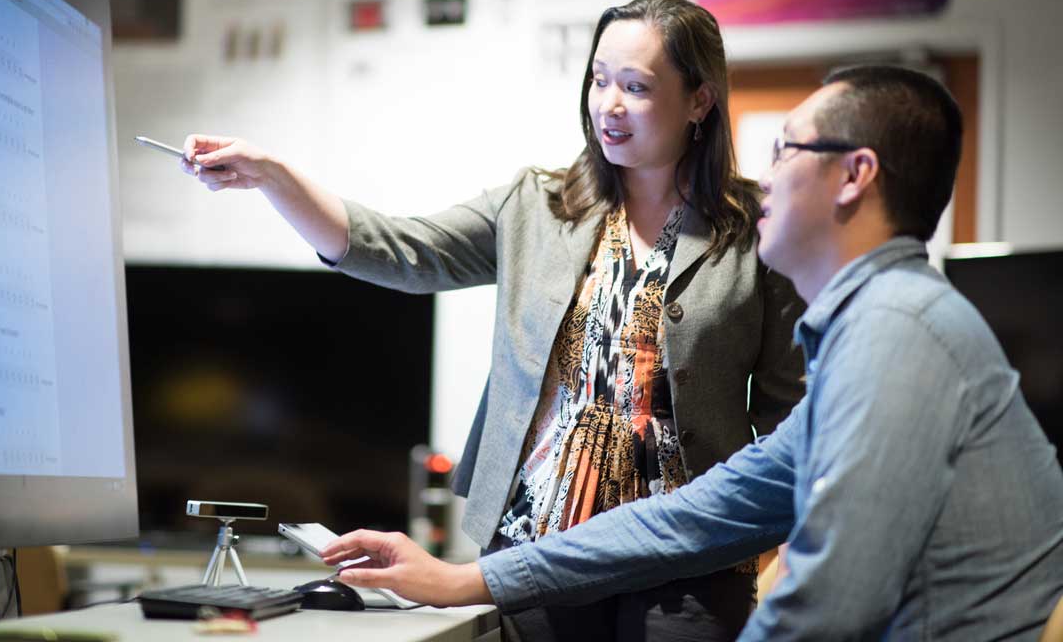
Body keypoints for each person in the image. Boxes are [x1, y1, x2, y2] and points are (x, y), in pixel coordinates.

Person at [321, 65, 1063, 640]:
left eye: (786, 150)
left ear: (855, 175)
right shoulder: (877, 332)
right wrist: (467, 579)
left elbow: (828, 602)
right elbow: (690, 518)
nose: (765, 178)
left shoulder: (901, 335)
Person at [182, 0, 807, 640]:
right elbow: (401, 250)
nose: (609, 105)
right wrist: (273, 177)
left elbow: (792, 418)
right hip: (530, 550)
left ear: (700, 100)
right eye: (599, 79)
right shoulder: (537, 204)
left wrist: (770, 548)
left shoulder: (755, 228)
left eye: (636, 87)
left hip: (689, 566)